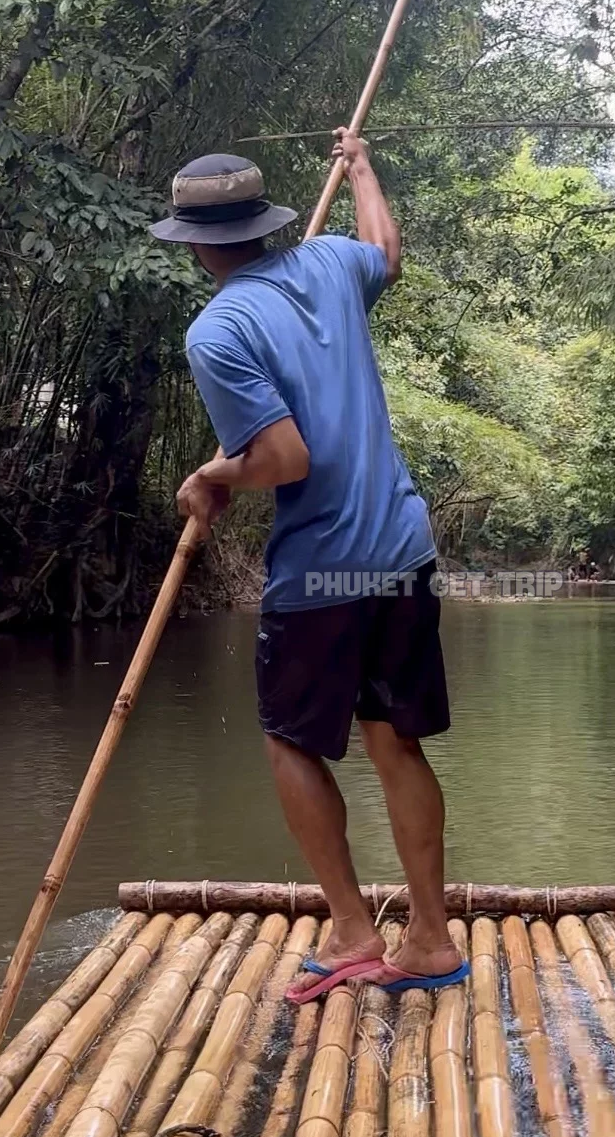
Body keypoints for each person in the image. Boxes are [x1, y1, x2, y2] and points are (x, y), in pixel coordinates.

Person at [158, 138, 466, 1004]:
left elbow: (282, 459)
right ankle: (432, 940)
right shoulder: (332, 262)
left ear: (194, 243)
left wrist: (213, 476)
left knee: (291, 740)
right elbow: (387, 254)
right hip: (402, 546)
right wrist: (365, 168)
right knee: (392, 740)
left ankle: (355, 929)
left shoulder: (217, 331)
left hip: (323, 568)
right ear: (267, 224)